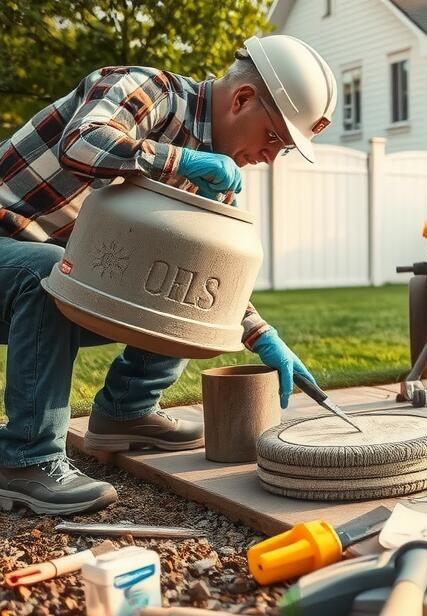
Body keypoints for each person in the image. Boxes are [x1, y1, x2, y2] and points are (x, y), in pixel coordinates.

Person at [0, 35, 337, 515]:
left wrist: (262, 335)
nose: (269, 157)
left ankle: (126, 412)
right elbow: (81, 143)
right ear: (242, 99)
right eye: (274, 138)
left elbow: (205, 277)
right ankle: (26, 460)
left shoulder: (212, 177)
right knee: (47, 269)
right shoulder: (147, 90)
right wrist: (182, 161)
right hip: (12, 255)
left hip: (50, 289)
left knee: (185, 292)